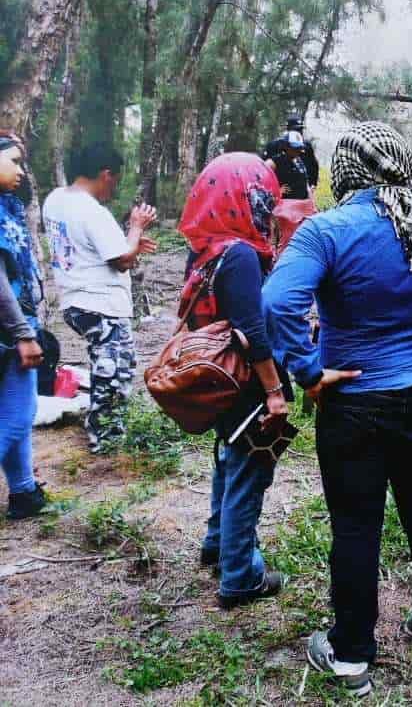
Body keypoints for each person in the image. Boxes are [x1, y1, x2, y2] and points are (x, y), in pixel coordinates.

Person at [263, 122, 412, 695]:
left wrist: (309, 371)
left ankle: (351, 656)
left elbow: (277, 301)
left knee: (355, 525)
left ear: (344, 170)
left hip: (353, 403)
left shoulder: (326, 231)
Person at [177, 152, 292, 607]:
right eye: (261, 194)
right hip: (247, 384)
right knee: (249, 473)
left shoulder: (203, 250)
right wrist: (275, 391)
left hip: (219, 381)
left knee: (228, 462)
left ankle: (216, 544)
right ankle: (241, 575)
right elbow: (252, 332)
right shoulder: (241, 254)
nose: (268, 203)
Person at [42, 144, 157, 453]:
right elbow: (120, 259)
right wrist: (135, 229)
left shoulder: (55, 200)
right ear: (106, 175)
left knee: (105, 363)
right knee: (114, 371)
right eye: (116, 180)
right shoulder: (93, 211)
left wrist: (128, 242)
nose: (114, 188)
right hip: (101, 302)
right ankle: (105, 439)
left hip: (73, 298)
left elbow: (90, 246)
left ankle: (104, 429)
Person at [0, 131, 48, 520]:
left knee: (14, 410)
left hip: (11, 328)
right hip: (8, 332)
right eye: (13, 161)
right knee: (18, 415)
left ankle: (24, 493)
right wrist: (23, 333)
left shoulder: (7, 206)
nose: (20, 170)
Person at [262, 130, 310, 200]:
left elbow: (305, 182)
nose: (298, 151)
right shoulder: (276, 161)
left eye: (299, 148)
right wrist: (277, 191)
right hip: (285, 205)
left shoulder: (299, 161)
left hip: (301, 205)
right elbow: (260, 179)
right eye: (295, 148)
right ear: (286, 146)